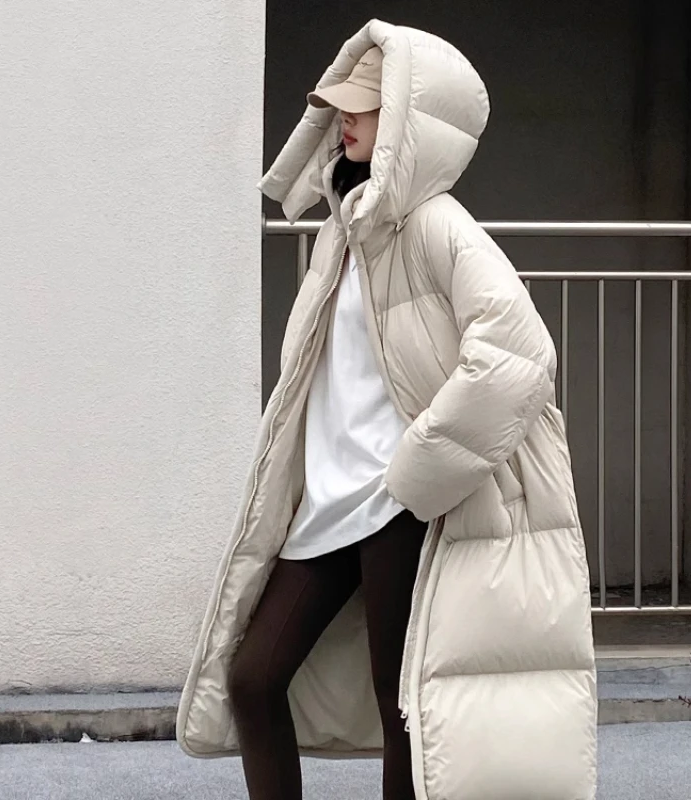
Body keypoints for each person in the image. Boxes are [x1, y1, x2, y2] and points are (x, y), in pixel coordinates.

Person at [177, 19, 597, 800]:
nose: (347, 119)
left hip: (399, 503)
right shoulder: (343, 229)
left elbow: (521, 354)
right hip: (330, 501)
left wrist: (418, 472)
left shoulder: (440, 225)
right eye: (342, 105)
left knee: (404, 707)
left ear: (407, 119)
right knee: (253, 678)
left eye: (366, 108)